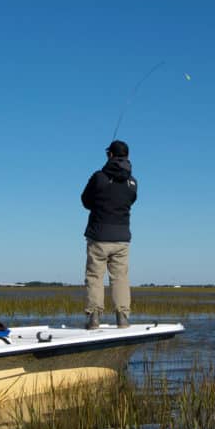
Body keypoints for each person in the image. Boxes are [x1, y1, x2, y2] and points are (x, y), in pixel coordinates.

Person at [80, 140, 138, 329]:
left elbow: (85, 201)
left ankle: (94, 318)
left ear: (110, 155)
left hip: (99, 236)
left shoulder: (99, 177)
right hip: (122, 238)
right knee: (120, 278)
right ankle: (122, 318)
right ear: (127, 156)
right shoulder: (133, 182)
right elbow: (130, 201)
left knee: (95, 277)